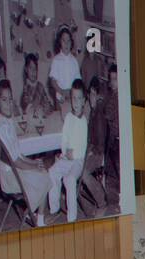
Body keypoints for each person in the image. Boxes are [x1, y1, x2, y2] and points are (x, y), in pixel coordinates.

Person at [0, 78, 48, 226]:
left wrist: (33, 162)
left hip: (15, 170)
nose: (8, 104)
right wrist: (33, 167)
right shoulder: (2, 126)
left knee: (42, 170)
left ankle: (38, 217)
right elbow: (14, 161)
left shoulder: (8, 120)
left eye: (10, 99)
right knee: (43, 175)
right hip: (10, 177)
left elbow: (18, 154)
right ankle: (36, 217)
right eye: (4, 100)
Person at [48, 78, 88, 223]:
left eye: (79, 99)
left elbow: (82, 147)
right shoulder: (69, 117)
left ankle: (72, 218)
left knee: (69, 179)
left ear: (84, 101)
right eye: (73, 98)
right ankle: (54, 209)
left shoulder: (83, 122)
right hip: (67, 157)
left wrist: (74, 154)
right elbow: (64, 138)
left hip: (78, 160)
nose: (76, 102)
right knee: (52, 172)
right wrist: (64, 152)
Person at [80, 75, 110, 210]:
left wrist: (89, 152)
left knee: (84, 172)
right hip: (92, 150)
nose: (91, 97)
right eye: (90, 94)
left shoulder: (98, 114)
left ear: (99, 96)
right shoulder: (92, 112)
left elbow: (99, 146)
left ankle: (101, 200)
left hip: (100, 154)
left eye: (94, 94)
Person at [48, 26, 81, 110]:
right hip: (60, 98)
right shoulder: (56, 60)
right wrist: (61, 91)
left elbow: (78, 81)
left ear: (71, 42)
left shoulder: (74, 61)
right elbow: (52, 81)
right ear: (59, 42)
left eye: (68, 41)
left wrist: (71, 92)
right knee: (61, 120)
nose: (66, 43)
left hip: (72, 98)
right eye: (63, 40)